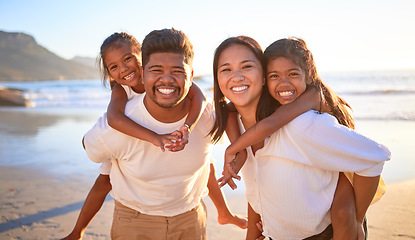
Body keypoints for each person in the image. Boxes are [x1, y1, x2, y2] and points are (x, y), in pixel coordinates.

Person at [210, 36, 391, 240]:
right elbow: (256, 186)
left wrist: (356, 218)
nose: (236, 76)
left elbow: (374, 157)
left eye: (247, 66)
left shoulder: (301, 125)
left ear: (262, 75)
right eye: (226, 69)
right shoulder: (234, 121)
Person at [70, 28, 244, 240]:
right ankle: (77, 231)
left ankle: (223, 212)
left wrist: (188, 127)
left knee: (205, 161)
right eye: (114, 67)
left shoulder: (197, 104)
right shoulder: (121, 97)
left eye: (128, 59)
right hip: (134, 216)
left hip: (190, 215)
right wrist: (154, 137)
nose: (124, 69)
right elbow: (113, 121)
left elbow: (201, 97)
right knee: (105, 176)